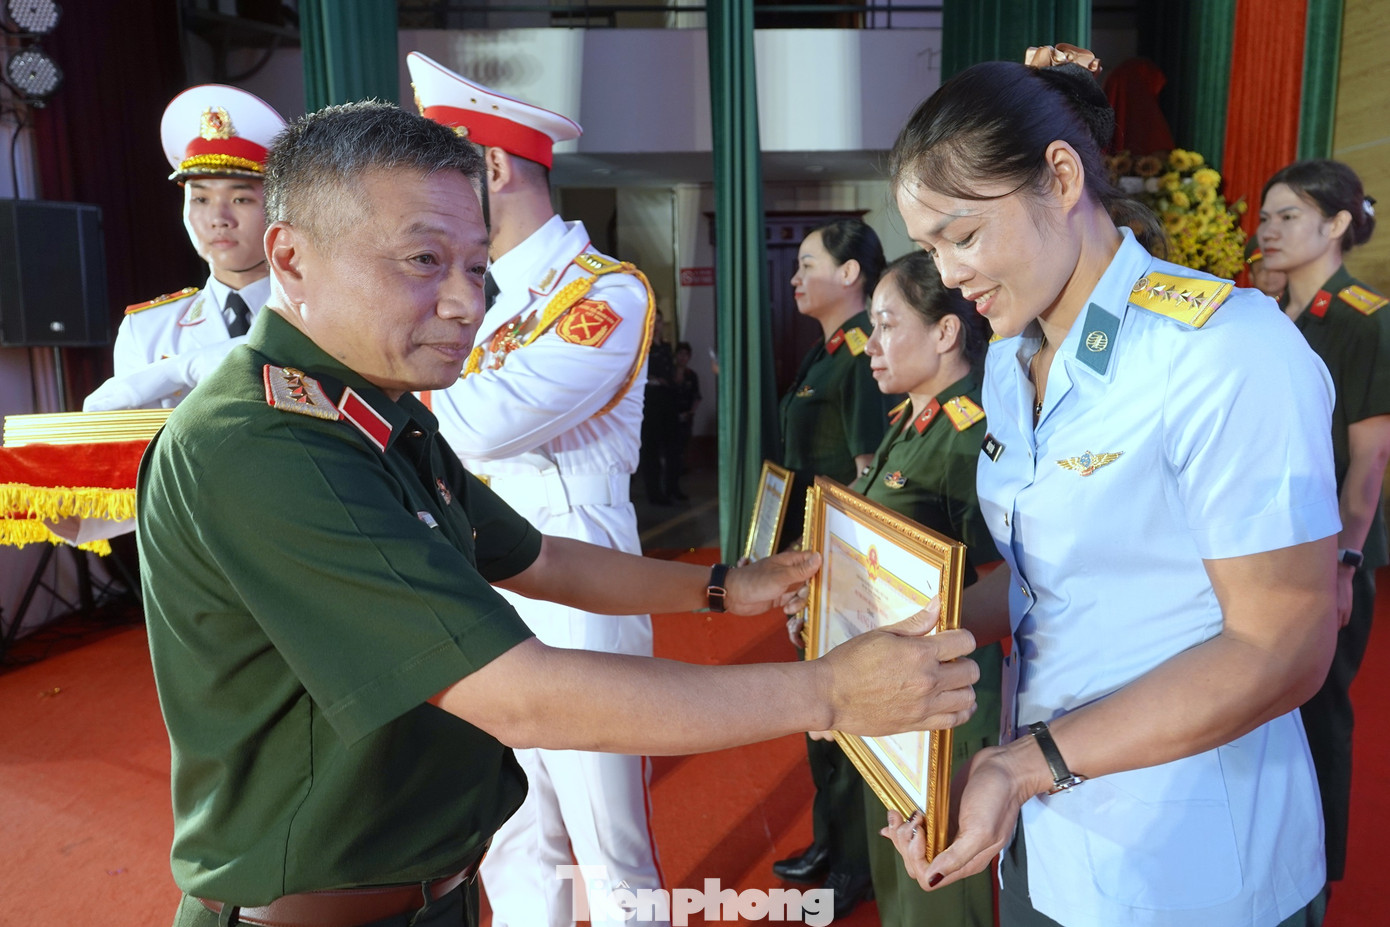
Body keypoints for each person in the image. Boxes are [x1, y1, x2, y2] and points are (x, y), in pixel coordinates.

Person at [137, 99, 984, 927]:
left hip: (427, 884)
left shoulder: (376, 409)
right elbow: (523, 698)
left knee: (598, 852)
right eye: (423, 260)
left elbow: (538, 556)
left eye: (476, 266)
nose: (466, 302)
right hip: (319, 908)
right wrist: (830, 692)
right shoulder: (264, 443)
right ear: (289, 258)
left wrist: (727, 587)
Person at [879, 47, 1340, 927]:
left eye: (964, 235)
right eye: (929, 247)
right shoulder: (1013, 365)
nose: (948, 275)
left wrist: (1025, 764)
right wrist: (902, 633)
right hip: (1049, 839)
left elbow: (1282, 645)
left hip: (1191, 866)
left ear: (1059, 177)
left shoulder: (1221, 351)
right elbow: (1053, 576)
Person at [405, 52, 671, 926]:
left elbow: (481, 423)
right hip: (479, 581)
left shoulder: (603, 293)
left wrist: (392, 372)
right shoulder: (466, 295)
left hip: (581, 584)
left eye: (440, 173)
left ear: (491, 166)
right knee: (513, 829)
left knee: (609, 839)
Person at [854, 252, 1002, 927]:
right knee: (898, 865)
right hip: (892, 685)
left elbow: (1007, 583)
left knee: (939, 885)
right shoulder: (911, 424)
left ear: (945, 332)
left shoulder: (969, 437)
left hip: (948, 696)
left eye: (887, 325)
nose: (872, 345)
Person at [1258, 159, 1387, 893]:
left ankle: (1321, 869)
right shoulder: (1273, 317)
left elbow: (1368, 463)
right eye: (1266, 217)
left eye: (1286, 217)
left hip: (1334, 546)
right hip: (1274, 542)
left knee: (1321, 706)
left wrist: (1343, 562)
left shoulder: (1364, 319)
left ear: (1336, 225)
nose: (1266, 230)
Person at [772, 217, 892, 917]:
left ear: (851, 274)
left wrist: (830, 572)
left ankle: (853, 861)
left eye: (809, 263)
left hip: (837, 562)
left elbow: (864, 472)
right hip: (807, 558)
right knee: (817, 712)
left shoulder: (859, 359)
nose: (795, 277)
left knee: (839, 712)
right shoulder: (826, 354)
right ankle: (829, 839)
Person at [84, 84, 285, 411]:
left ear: (279, 207)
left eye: (240, 199)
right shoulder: (147, 329)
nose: (219, 219)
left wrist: (186, 367)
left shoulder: (321, 310)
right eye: (201, 199)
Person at [669, 341, 702, 500]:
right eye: (680, 354)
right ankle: (669, 487)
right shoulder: (669, 373)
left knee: (680, 453)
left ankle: (676, 487)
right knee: (670, 453)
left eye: (685, 355)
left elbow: (697, 397)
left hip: (685, 418)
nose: (682, 358)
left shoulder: (691, 375)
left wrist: (690, 413)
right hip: (669, 418)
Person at [1244, 235, 1287, 300]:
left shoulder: (1300, 304)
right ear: (1251, 276)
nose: (1270, 275)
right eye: (1262, 269)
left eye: (1275, 269)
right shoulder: (1244, 306)